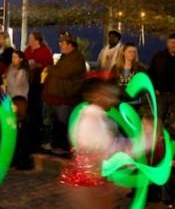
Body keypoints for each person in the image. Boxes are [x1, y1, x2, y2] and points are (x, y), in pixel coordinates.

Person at [61, 77, 152, 209]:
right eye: (109, 95)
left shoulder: (98, 117)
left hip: (95, 180)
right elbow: (110, 149)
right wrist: (145, 141)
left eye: (114, 96)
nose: (114, 100)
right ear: (95, 96)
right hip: (91, 184)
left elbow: (113, 146)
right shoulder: (91, 121)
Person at [42, 33, 86, 155]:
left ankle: (63, 147)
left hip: (66, 97)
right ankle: (55, 145)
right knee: (56, 122)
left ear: (70, 45)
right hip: (57, 96)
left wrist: (50, 69)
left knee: (63, 123)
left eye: (63, 43)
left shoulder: (77, 58)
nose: (60, 45)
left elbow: (64, 72)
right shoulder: (65, 57)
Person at [148, 33, 175, 121]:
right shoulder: (159, 56)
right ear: (167, 43)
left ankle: (174, 135)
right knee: (158, 118)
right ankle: (159, 134)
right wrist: (154, 88)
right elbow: (151, 73)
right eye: (172, 42)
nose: (174, 45)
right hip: (161, 94)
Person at [111, 43, 147, 109]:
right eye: (130, 51)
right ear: (123, 52)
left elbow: (144, 85)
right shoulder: (116, 68)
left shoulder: (140, 68)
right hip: (119, 103)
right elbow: (110, 83)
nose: (132, 54)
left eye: (134, 52)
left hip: (134, 103)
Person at [11, 96, 33, 170]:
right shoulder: (15, 117)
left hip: (24, 146)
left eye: (13, 105)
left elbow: (25, 138)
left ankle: (22, 162)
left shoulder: (27, 119)